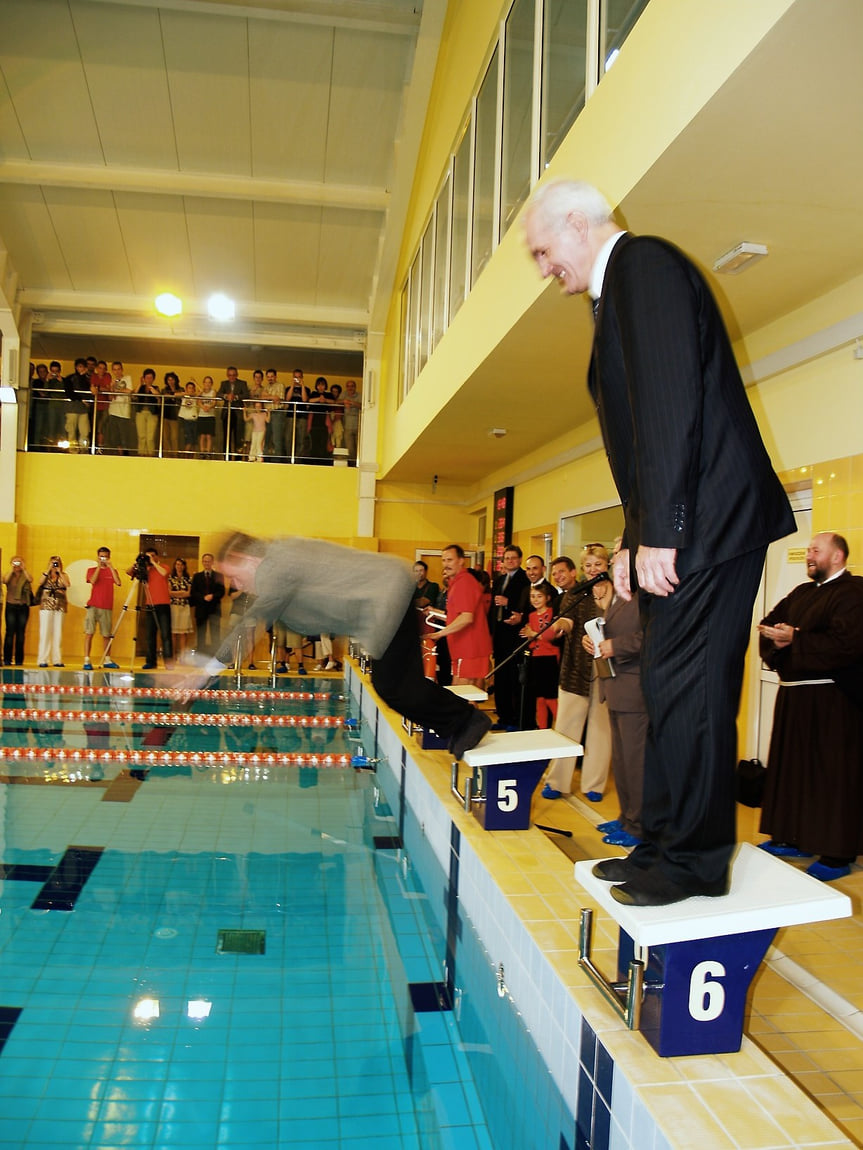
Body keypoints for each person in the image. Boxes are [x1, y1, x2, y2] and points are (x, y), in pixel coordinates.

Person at [524, 178, 795, 905]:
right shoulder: (618, 295)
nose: (543, 269)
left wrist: (665, 531)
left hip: (708, 522)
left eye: (542, 250)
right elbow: (649, 432)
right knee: (671, 694)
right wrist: (631, 533)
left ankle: (695, 864)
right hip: (687, 522)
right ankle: (662, 847)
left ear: (577, 224)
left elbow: (674, 401)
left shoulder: (643, 265)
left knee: (693, 694)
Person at [195, 534, 491, 759]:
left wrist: (206, 670)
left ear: (246, 558)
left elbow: (251, 621)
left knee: (393, 687)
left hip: (388, 595)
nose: (236, 584)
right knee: (397, 686)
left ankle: (465, 720)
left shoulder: (275, 568)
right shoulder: (278, 560)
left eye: (234, 575)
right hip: (385, 597)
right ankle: (457, 723)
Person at [757, 532, 863, 881]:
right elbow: (770, 624)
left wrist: (796, 638)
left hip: (832, 701)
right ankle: (794, 837)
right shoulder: (802, 593)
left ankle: (836, 852)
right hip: (795, 697)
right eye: (809, 551)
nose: (810, 555)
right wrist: (777, 638)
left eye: (817, 550)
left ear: (838, 556)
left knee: (829, 775)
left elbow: (847, 644)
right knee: (793, 769)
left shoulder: (854, 592)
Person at [582, 543, 647, 848]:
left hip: (634, 688)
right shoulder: (620, 592)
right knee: (620, 760)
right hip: (615, 684)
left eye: (620, 553)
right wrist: (594, 640)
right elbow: (610, 630)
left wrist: (615, 646)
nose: (615, 559)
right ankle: (625, 816)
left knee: (636, 761)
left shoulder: (648, 593)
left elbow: (652, 636)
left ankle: (638, 826)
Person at [542, 550, 611, 802]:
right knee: (566, 726)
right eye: (589, 565)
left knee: (601, 729)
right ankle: (557, 781)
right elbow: (568, 621)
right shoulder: (576, 593)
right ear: (582, 568)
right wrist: (559, 626)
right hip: (576, 667)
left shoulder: (620, 593)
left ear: (607, 565)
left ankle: (594, 784)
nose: (594, 569)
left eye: (599, 564)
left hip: (607, 670)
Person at [429, 545, 492, 690]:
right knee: (461, 695)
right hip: (461, 648)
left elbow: (466, 618)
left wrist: (439, 633)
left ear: (461, 561)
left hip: (470, 649)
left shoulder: (465, 583)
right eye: (444, 560)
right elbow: (456, 618)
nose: (446, 564)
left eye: (450, 560)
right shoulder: (456, 583)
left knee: (462, 695)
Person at [489, 545, 530, 729]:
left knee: (513, 679)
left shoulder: (524, 579)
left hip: (515, 635)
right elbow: (491, 608)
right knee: (500, 679)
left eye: (513, 558)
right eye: (507, 558)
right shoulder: (500, 580)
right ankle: (503, 716)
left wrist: (509, 603)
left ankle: (514, 719)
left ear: (520, 559)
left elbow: (528, 605)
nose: (510, 561)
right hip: (499, 635)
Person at [520, 582, 560, 729]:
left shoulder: (551, 613)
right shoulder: (531, 616)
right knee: (540, 698)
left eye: (539, 596)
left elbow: (550, 636)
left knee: (550, 697)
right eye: (532, 596)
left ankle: (563, 727)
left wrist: (533, 634)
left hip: (549, 657)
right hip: (536, 656)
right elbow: (532, 639)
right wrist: (529, 635)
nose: (535, 599)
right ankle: (542, 729)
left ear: (547, 598)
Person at [127, 549, 173, 670]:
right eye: (149, 556)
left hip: (163, 605)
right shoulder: (145, 570)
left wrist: (153, 562)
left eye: (153, 556)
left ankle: (168, 662)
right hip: (149, 605)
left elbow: (163, 573)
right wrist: (137, 564)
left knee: (165, 635)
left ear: (157, 556)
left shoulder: (163, 566)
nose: (150, 558)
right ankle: (151, 661)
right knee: (150, 635)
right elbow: (128, 572)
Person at [83, 547, 122, 670]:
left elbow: (118, 582)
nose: (103, 559)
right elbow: (93, 581)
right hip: (93, 606)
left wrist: (110, 567)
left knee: (106, 635)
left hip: (107, 607)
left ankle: (107, 659)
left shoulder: (113, 570)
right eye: (101, 556)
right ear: (97, 557)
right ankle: (86, 660)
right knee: (89, 633)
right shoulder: (92, 570)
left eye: (105, 556)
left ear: (109, 557)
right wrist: (99, 566)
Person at [36, 555, 71, 667]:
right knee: (45, 632)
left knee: (58, 633)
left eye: (57, 563)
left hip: (60, 606)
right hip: (46, 605)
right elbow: (40, 582)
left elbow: (67, 584)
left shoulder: (63, 575)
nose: (55, 565)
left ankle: (57, 659)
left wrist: (59, 572)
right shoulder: (45, 575)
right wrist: (48, 570)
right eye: (53, 563)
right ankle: (43, 659)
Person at [189, 553, 225, 654]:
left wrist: (212, 596)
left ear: (212, 562)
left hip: (214, 609)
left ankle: (215, 655)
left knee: (215, 633)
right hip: (201, 608)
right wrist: (203, 597)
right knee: (201, 634)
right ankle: (201, 655)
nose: (206, 563)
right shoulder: (197, 576)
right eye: (204, 561)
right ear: (202, 562)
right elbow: (193, 592)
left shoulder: (219, 576)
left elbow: (221, 591)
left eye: (208, 561)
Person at [3, 556, 34, 666]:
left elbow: (30, 579)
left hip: (23, 607)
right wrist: (12, 568)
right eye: (15, 562)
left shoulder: (24, 575)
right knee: (10, 633)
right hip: (11, 606)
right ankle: (7, 659)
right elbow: (5, 580)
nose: (17, 564)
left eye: (19, 562)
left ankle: (19, 660)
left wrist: (23, 568)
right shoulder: (9, 575)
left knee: (21, 633)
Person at [217, 367, 249, 459]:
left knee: (238, 436)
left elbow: (246, 394)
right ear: (227, 375)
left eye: (234, 375)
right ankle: (226, 457)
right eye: (230, 375)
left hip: (238, 413)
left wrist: (235, 397)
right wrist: (226, 396)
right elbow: (218, 393)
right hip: (227, 413)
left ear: (237, 375)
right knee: (226, 436)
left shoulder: (242, 383)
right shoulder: (224, 383)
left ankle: (238, 458)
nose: (232, 377)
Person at [169, 557, 194, 660]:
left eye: (181, 564)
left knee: (183, 633)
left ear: (184, 566)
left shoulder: (188, 578)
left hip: (184, 607)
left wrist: (177, 594)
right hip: (173, 606)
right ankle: (173, 654)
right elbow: (169, 592)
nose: (179, 566)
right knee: (173, 632)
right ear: (175, 566)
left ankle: (182, 656)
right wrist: (181, 593)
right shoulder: (170, 578)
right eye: (177, 564)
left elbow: (189, 593)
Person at [178, 382, 199, 456]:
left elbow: (201, 392)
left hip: (194, 420)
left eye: (192, 388)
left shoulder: (195, 397)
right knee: (189, 440)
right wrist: (186, 393)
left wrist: (195, 382)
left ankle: (192, 457)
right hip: (186, 421)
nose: (191, 389)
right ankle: (186, 457)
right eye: (189, 388)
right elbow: (176, 395)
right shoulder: (184, 396)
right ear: (186, 389)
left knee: (194, 441)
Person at [342, 378, 360, 461]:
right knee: (349, 448)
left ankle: (358, 463)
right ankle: (352, 463)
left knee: (359, 447)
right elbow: (336, 401)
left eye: (352, 386)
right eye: (348, 386)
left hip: (358, 426)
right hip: (347, 426)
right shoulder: (344, 394)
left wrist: (352, 403)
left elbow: (362, 405)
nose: (350, 388)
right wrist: (344, 401)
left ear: (355, 387)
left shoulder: (359, 395)